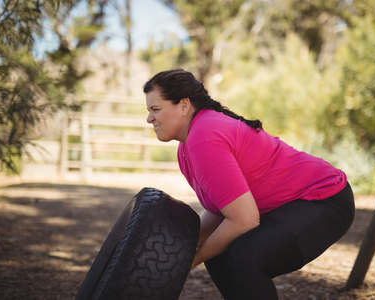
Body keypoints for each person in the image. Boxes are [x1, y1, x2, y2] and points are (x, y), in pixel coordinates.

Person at [143, 69, 355, 300]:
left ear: (184, 106)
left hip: (325, 199)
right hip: (296, 204)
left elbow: (245, 219)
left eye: (155, 109)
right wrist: (174, 254)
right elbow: (222, 210)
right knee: (220, 251)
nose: (149, 118)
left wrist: (187, 263)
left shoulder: (204, 136)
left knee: (246, 255)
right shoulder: (187, 147)